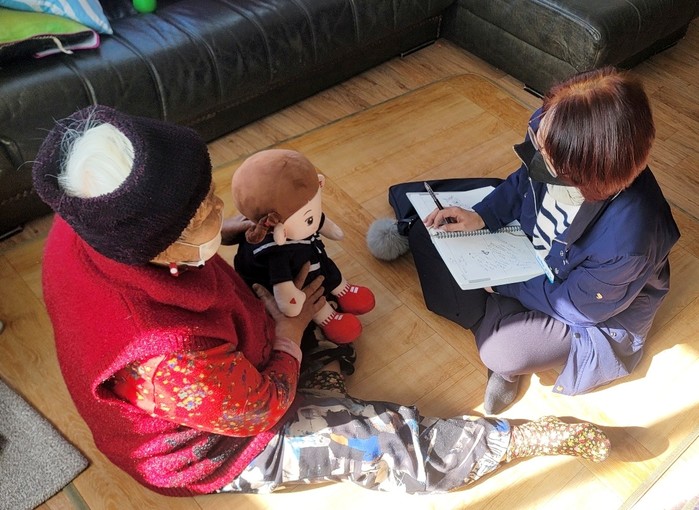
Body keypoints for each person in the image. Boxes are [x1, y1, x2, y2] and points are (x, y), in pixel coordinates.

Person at [33, 105, 611, 497]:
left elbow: (198, 244)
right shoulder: (163, 359)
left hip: (228, 356)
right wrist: (288, 336)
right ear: (156, 245)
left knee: (304, 284)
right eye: (202, 213)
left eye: (209, 196)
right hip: (215, 441)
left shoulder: (90, 224)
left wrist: (226, 234)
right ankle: (510, 440)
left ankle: (312, 373)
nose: (218, 210)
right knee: (374, 441)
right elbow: (258, 409)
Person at [398, 67, 680, 414]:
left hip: (582, 307)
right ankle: (494, 319)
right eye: (538, 137)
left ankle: (497, 336)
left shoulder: (629, 241)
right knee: (426, 233)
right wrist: (482, 216)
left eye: (545, 156)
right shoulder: (554, 128)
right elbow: (523, 180)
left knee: (502, 350)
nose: (536, 150)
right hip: (529, 254)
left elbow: (576, 307)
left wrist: (504, 285)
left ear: (584, 176)